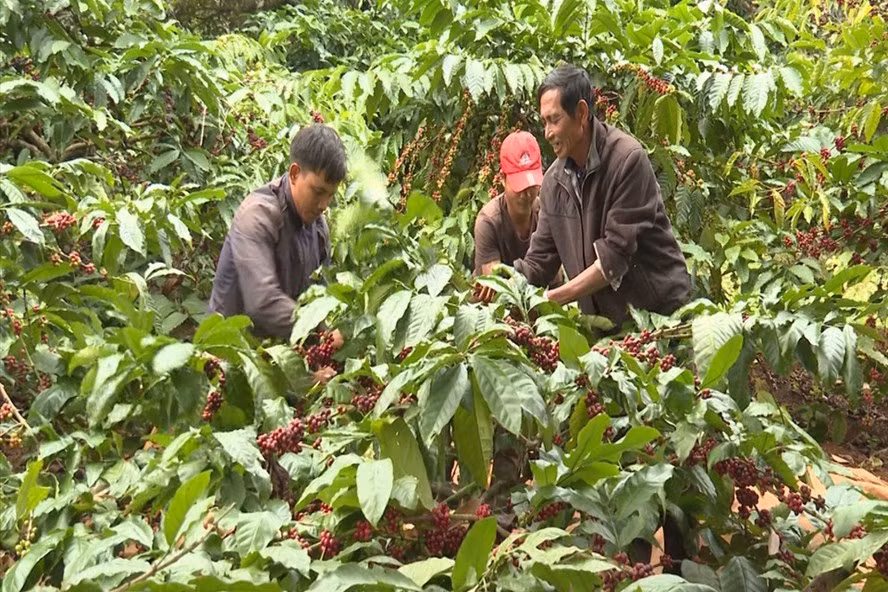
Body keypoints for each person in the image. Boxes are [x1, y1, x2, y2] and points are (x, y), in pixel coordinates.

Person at [512, 64, 691, 327]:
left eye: (555, 120)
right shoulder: (553, 183)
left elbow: (614, 258)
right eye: (544, 122)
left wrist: (553, 298)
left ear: (581, 113)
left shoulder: (627, 160)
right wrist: (506, 285)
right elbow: (540, 262)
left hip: (660, 318)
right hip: (605, 325)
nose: (547, 133)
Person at [208, 123, 345, 382]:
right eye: (318, 191)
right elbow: (263, 301)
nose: (324, 205)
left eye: (331, 195)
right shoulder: (258, 215)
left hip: (275, 363)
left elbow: (318, 299)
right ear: (294, 173)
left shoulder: (318, 229)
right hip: (226, 364)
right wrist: (321, 334)